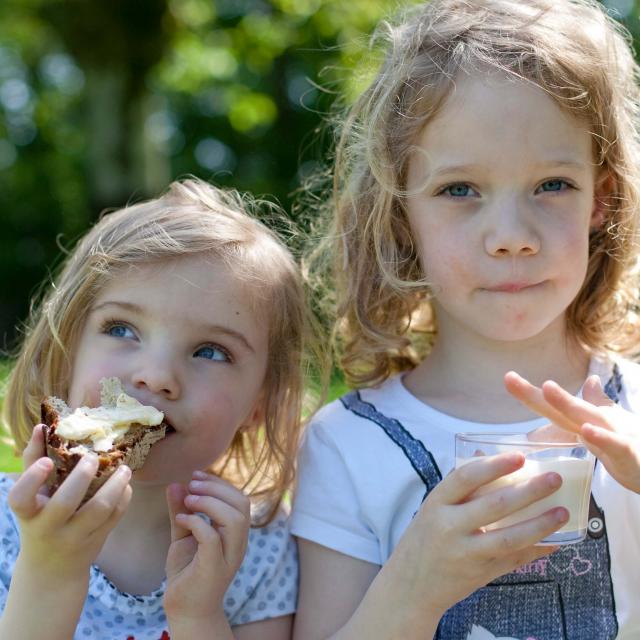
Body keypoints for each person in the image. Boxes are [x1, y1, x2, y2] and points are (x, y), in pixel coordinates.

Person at [290, 0, 640, 638]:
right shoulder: (347, 446)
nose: (510, 236)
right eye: (459, 190)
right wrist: (414, 587)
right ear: (401, 216)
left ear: (602, 199)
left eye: (552, 184)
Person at [0, 178, 316, 640]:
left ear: (259, 403)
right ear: (66, 347)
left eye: (210, 351)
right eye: (123, 329)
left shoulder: (257, 548)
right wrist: (50, 571)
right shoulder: (8, 529)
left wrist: (198, 615)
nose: (156, 375)